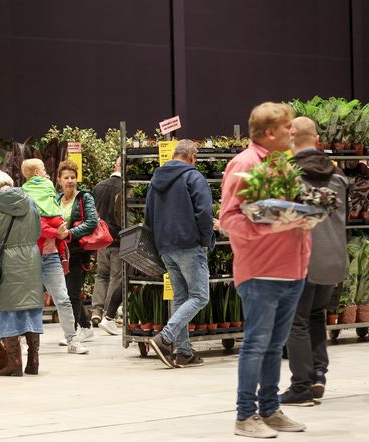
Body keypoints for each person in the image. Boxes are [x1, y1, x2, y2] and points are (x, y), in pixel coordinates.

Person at [220, 102, 312, 438]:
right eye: (287, 127)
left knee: (275, 346)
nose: (293, 132)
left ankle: (270, 410)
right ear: (270, 132)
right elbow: (229, 220)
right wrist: (271, 228)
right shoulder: (244, 164)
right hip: (261, 272)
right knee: (256, 345)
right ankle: (245, 416)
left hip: (292, 269)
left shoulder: (283, 165)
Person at [280, 117, 349, 406]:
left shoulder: (289, 175)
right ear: (318, 138)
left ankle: (301, 387)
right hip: (333, 259)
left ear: (292, 135)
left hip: (302, 259)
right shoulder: (338, 175)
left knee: (295, 322)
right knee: (317, 315)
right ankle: (319, 374)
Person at [145, 140, 214, 369]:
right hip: (189, 244)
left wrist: (157, 245)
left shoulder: (155, 181)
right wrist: (205, 241)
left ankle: (184, 352)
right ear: (193, 155)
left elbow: (148, 216)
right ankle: (165, 338)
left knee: (182, 298)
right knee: (200, 296)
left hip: (165, 247)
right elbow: (204, 212)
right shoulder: (193, 177)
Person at [0, 170, 43, 376]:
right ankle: (33, 362)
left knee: (8, 309)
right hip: (31, 259)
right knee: (31, 307)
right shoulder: (30, 201)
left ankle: (14, 363)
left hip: (6, 262)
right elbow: (38, 231)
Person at [21, 159, 88, 354]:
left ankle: (72, 340)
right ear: (36, 172)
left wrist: (58, 232)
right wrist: (56, 232)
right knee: (30, 301)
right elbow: (33, 226)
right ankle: (25, 341)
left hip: (50, 257)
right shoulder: (26, 196)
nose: (46, 173)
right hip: (32, 256)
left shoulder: (48, 194)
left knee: (63, 299)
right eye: (43, 169)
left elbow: (48, 221)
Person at [56, 160, 99, 343]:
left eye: (73, 177)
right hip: (60, 252)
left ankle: (71, 334)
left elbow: (92, 222)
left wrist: (69, 234)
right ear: (59, 180)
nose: (70, 181)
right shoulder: (56, 199)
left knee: (71, 293)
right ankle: (86, 325)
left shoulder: (84, 197)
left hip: (78, 252)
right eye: (66, 177)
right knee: (67, 292)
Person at [91, 157, 124, 334]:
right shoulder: (125, 187)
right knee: (116, 277)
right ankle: (107, 314)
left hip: (101, 239)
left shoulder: (99, 186)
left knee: (101, 275)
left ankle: (96, 310)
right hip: (118, 240)